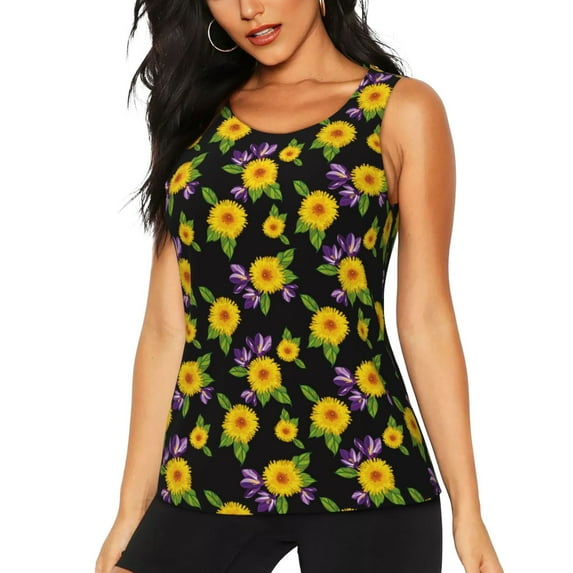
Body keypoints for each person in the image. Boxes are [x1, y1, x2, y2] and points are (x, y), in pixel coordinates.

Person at [96, 1, 504, 572]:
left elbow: (425, 318)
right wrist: (130, 509)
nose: (249, 9)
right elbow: (168, 329)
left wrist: (469, 510)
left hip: (369, 469)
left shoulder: (400, 110)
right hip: (207, 469)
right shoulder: (195, 117)